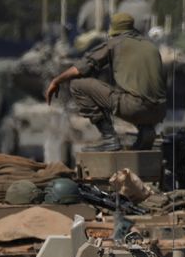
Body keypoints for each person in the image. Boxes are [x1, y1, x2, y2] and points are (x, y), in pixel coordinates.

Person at [45, 12, 167, 152]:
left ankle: (109, 139)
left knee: (77, 85)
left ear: (114, 28)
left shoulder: (115, 42)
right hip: (159, 111)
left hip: (135, 108)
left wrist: (56, 81)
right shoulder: (150, 46)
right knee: (135, 91)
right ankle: (146, 131)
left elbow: (81, 68)